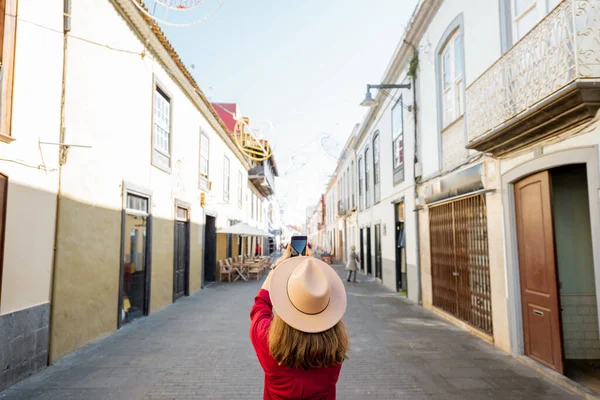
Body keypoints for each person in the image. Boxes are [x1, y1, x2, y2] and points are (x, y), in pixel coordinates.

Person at [250, 244, 348, 400]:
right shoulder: (338, 343)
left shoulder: (267, 340)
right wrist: (316, 275)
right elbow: (333, 316)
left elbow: (259, 306)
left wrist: (276, 269)